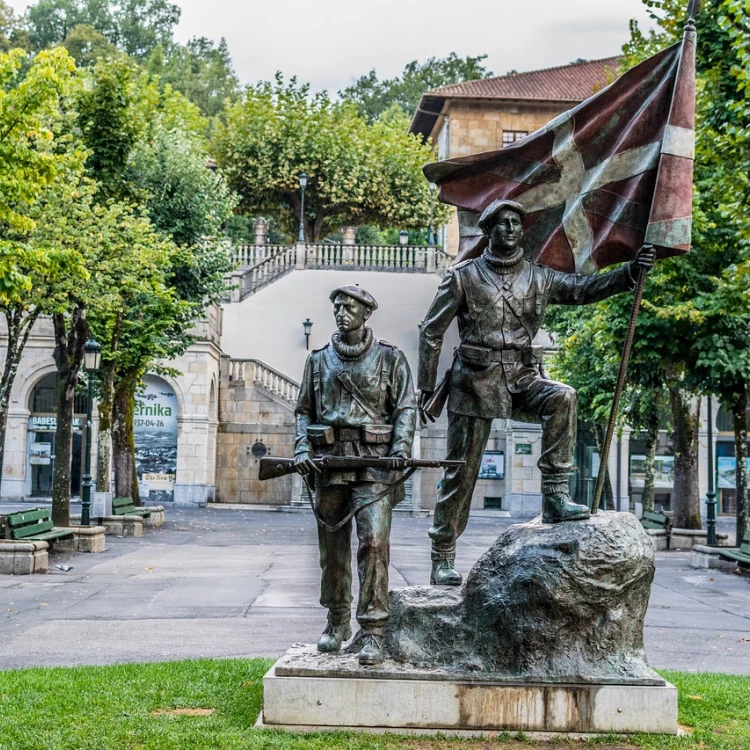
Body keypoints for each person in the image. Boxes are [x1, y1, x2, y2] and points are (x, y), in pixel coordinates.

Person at [417, 199, 655, 586]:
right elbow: (431, 331)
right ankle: (443, 554)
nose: (510, 228)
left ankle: (555, 497)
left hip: (521, 377)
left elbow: (583, 290)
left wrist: (628, 274)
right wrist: (425, 387)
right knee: (461, 473)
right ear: (488, 231)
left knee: (562, 396)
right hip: (474, 381)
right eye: (502, 223)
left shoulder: (540, 277)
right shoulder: (463, 278)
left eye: (516, 222)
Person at [294, 284, 417, 665]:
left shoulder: (389, 359)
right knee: (332, 551)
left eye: (349, 307)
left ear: (366, 313)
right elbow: (303, 411)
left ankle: (374, 631)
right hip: (329, 463)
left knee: (375, 544)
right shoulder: (317, 361)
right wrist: (302, 448)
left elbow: (406, 409)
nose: (341, 312)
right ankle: (337, 621)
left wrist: (400, 448)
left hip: (373, 465)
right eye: (337, 307)